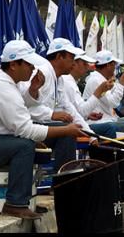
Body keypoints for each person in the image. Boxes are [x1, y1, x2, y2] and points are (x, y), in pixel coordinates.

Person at [0, 40, 87, 220]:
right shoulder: (2, 88)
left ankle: (64, 191)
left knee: (61, 134)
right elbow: (27, 130)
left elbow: (23, 103)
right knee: (24, 146)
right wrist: (66, 130)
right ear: (13, 64)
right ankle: (15, 203)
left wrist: (33, 89)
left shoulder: (3, 76)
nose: (33, 68)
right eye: (28, 64)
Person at [18, 38, 98, 172]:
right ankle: (63, 183)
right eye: (71, 58)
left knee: (68, 129)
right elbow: (24, 105)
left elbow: (71, 111)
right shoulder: (41, 73)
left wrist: (91, 134)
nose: (74, 63)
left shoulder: (59, 80)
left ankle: (65, 179)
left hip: (41, 127)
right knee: (66, 132)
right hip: (27, 128)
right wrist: (52, 114)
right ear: (59, 56)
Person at [61, 53, 124, 138]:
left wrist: (88, 115)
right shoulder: (94, 80)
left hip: (96, 120)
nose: (87, 67)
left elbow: (76, 110)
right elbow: (114, 103)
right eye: (84, 64)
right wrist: (100, 91)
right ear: (74, 64)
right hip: (98, 121)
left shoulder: (72, 81)